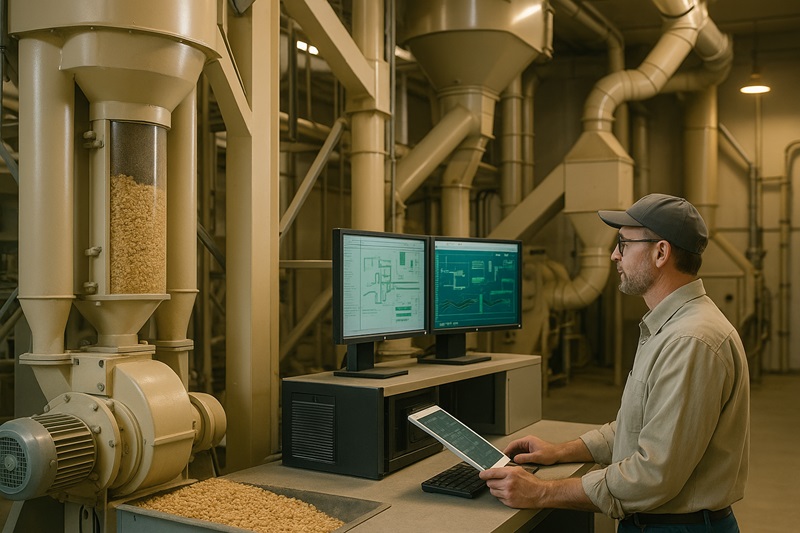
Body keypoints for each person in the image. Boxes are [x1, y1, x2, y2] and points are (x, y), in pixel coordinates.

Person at [479, 193, 750, 532]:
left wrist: (541, 492)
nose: (614, 255)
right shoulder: (667, 327)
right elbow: (634, 430)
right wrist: (560, 451)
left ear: (661, 252)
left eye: (623, 243)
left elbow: (652, 477)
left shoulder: (690, 341)